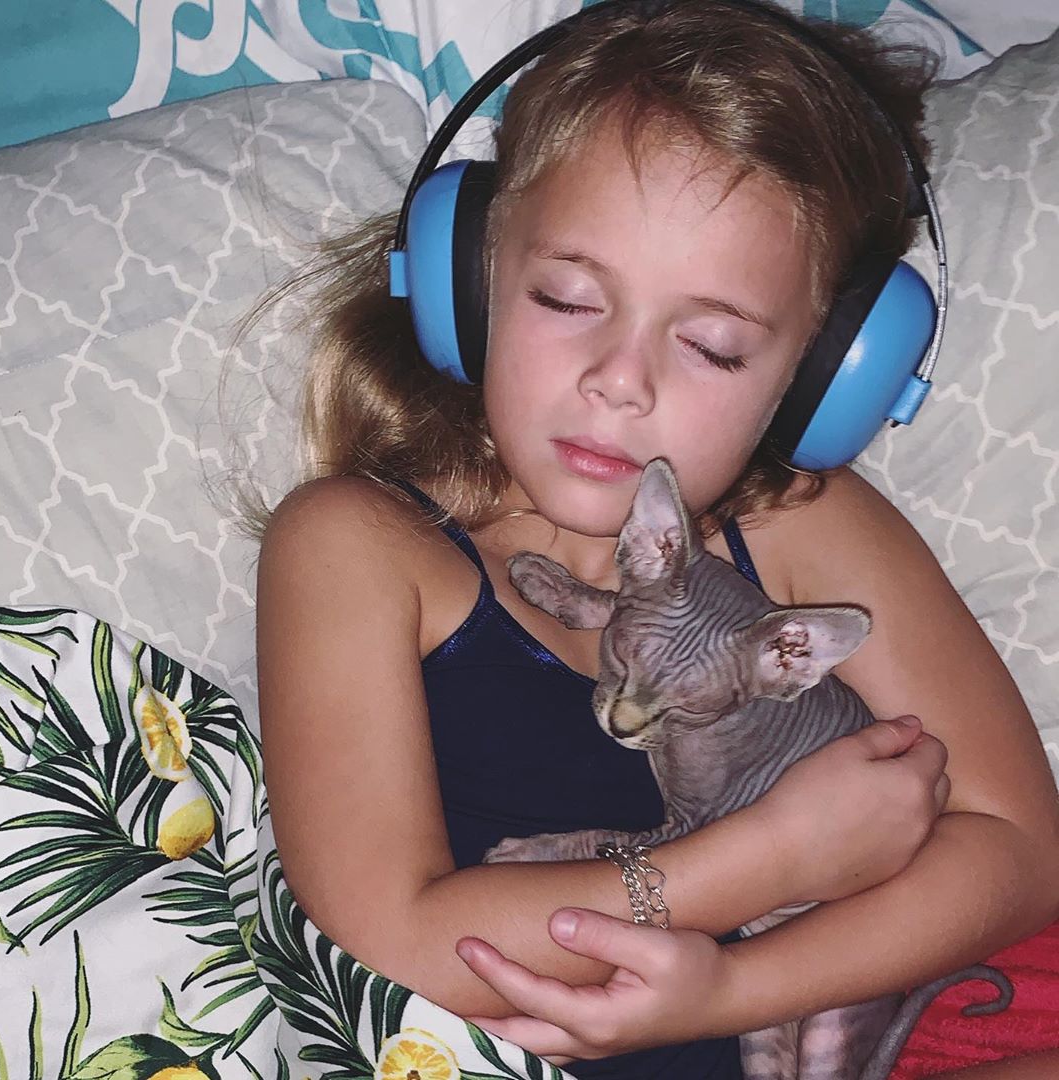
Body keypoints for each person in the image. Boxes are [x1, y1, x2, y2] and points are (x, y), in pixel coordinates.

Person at [254, 1, 1059, 1077]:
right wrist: (760, 863)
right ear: (473, 279)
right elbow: (389, 940)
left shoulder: (805, 527)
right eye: (569, 297)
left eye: (715, 347)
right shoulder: (358, 546)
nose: (620, 380)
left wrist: (733, 989)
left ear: (821, 384)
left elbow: (1021, 847)